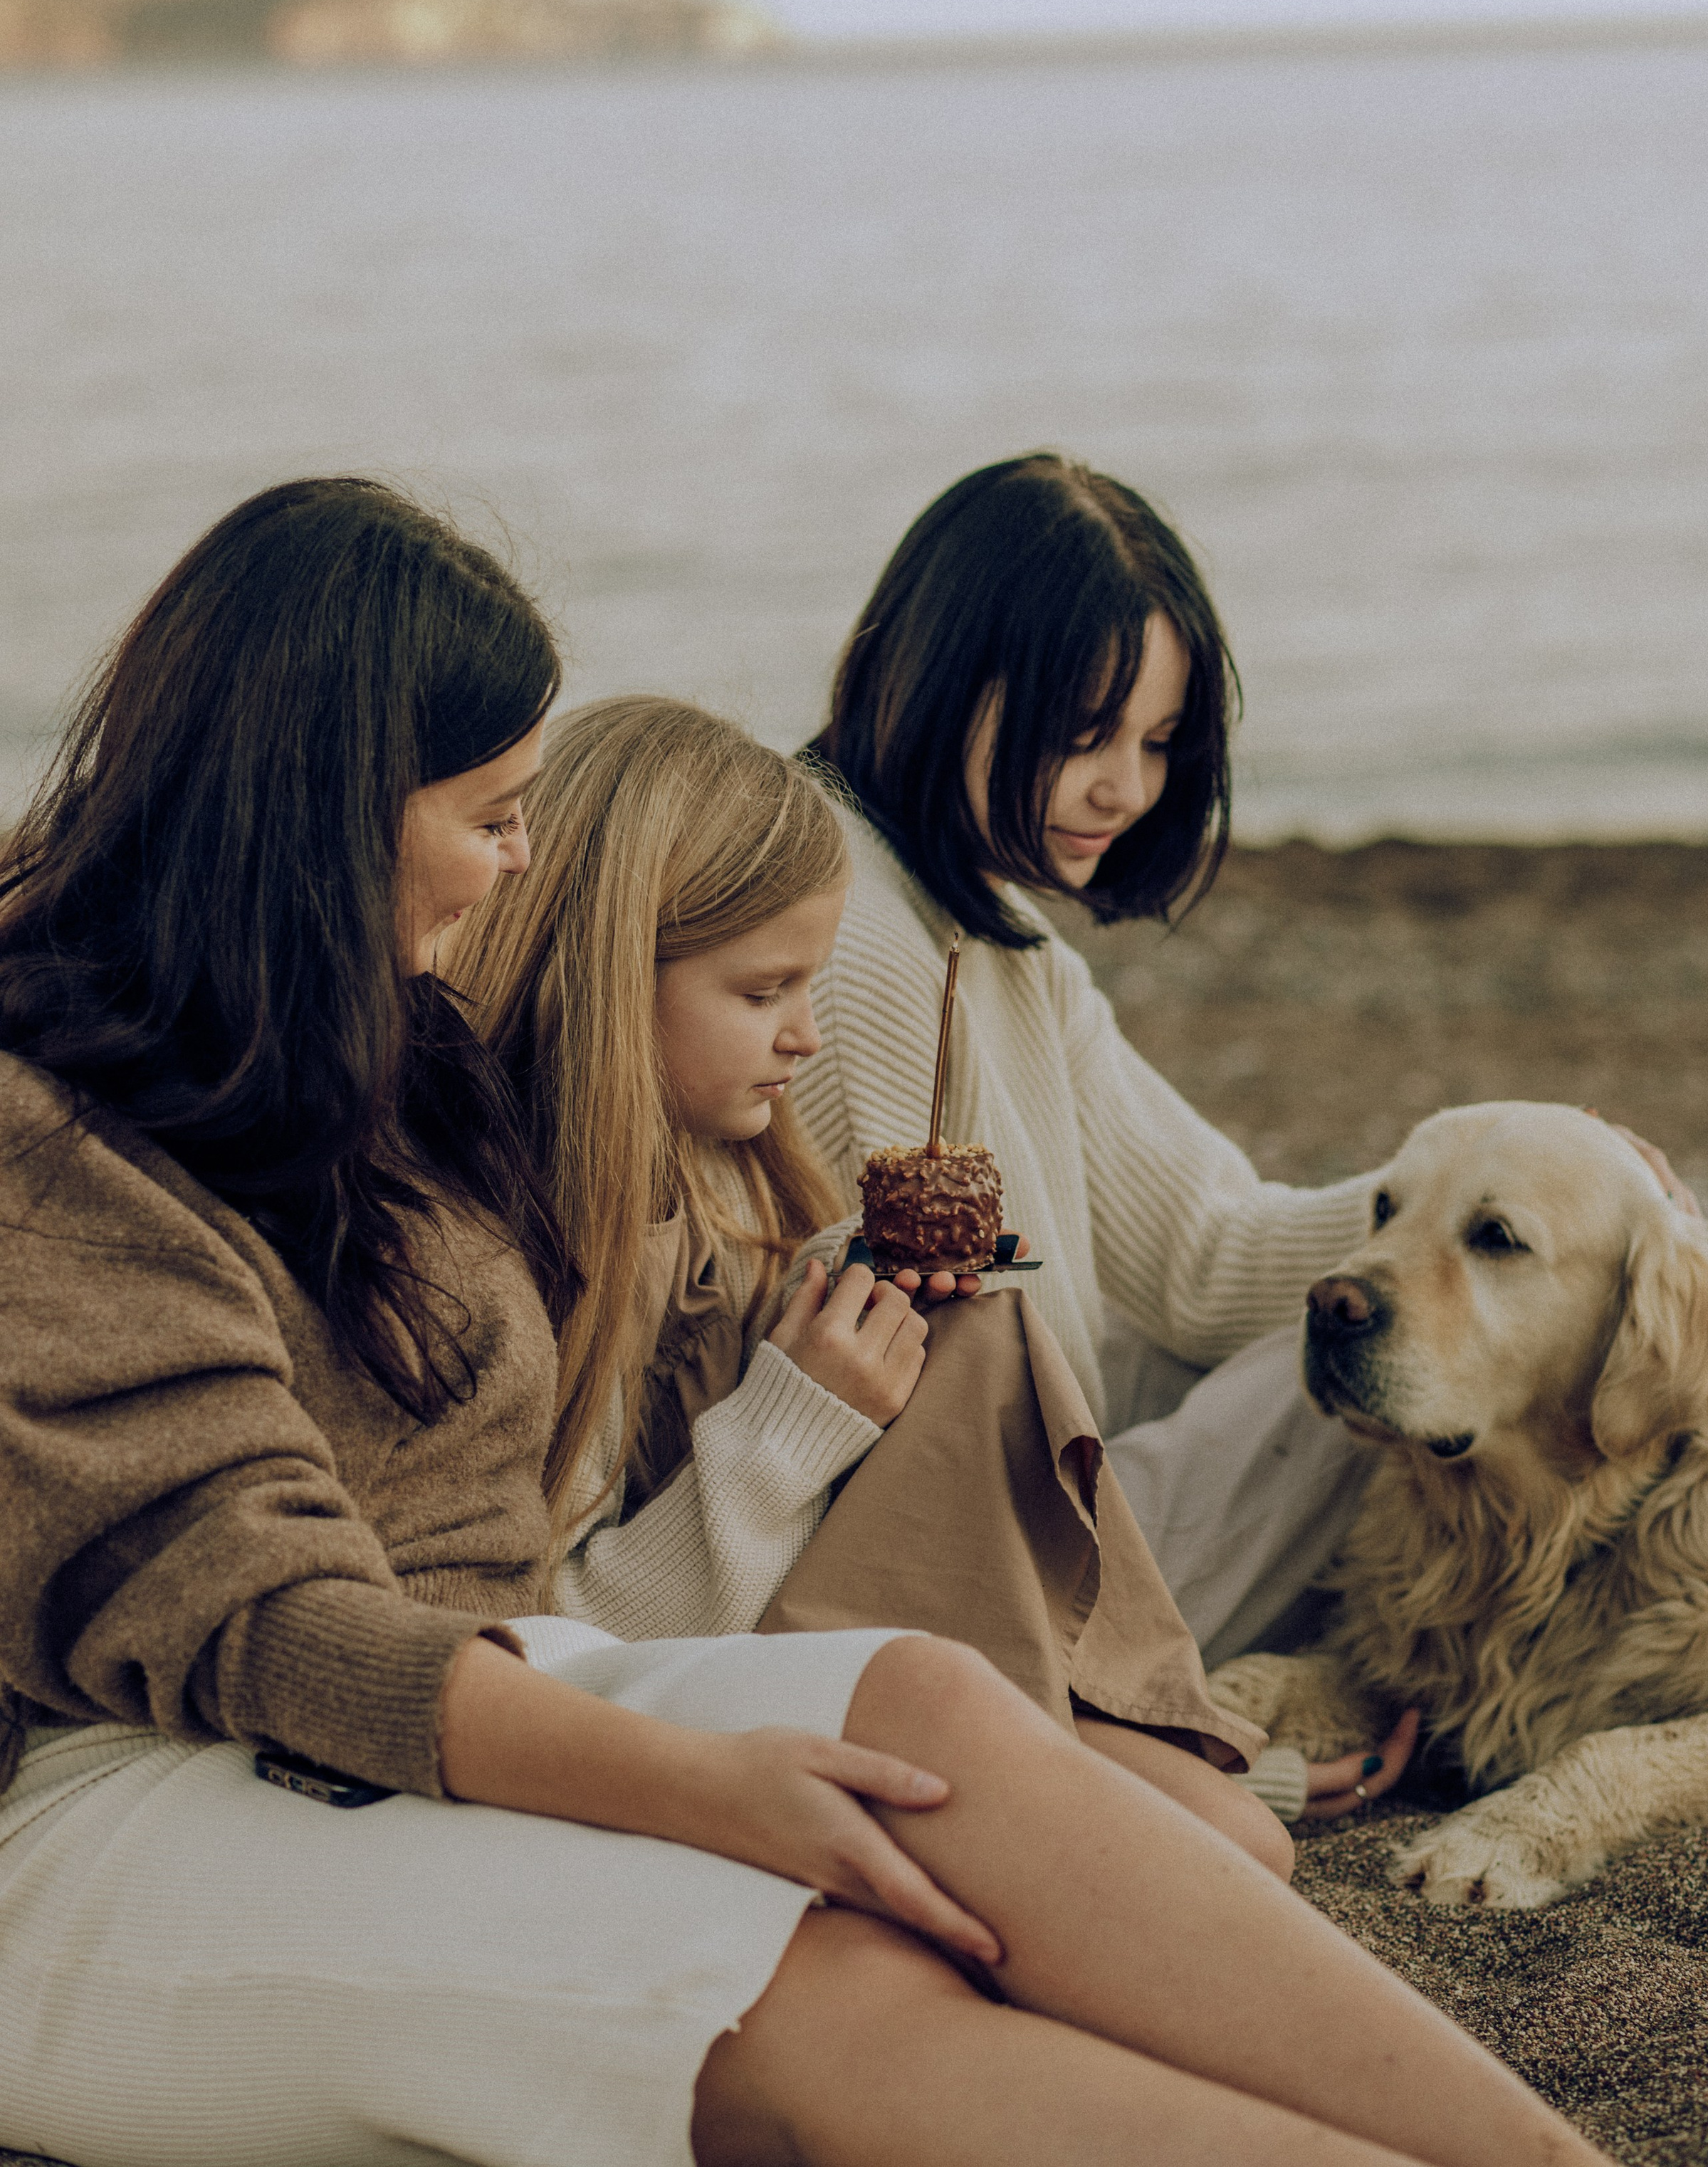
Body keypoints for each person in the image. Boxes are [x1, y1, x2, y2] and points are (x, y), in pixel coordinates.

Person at [0, 478, 1616, 2167]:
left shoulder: (383, 1059)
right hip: (135, 1791)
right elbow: (266, 1624)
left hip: (454, 1696)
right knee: (825, 1980)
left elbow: (691, 1261)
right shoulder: (51, 1151)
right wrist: (703, 1783)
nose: (522, 859)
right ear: (321, 812)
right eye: (489, 812)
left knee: (922, 1710)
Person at [797, 453, 1678, 1821]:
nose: (1122, 790)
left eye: (1157, 745)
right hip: (976, 1567)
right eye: (1082, 733)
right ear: (934, 675)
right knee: (1410, 1356)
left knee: (1383, 1310)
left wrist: (1474, 1202)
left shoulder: (1001, 944)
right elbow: (912, 1429)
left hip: (1026, 1475)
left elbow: (1206, 1255)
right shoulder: (847, 936)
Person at [446, 693, 1274, 1852]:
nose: (807, 1036)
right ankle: (1064, 1734)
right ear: (613, 971)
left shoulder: (731, 1171)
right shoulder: (532, 1255)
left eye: (811, 987)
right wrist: (796, 1420)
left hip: (820, 1615)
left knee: (1242, 1831)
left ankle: (1090, 1709)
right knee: (1237, 1847)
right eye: (761, 992)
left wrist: (845, 1290)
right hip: (698, 1699)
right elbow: (565, 1639)